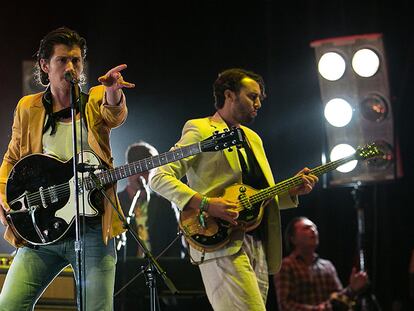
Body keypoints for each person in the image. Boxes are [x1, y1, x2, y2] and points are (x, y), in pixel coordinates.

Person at [149, 68, 319, 310]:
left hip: (257, 244)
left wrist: (291, 191)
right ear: (229, 95)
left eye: (260, 98)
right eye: (252, 96)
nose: (258, 103)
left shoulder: (253, 138)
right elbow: (159, 176)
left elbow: (257, 197)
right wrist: (207, 204)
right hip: (219, 243)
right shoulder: (200, 129)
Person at [0, 26, 135, 310]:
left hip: (92, 229)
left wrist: (112, 93)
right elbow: (12, 159)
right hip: (43, 229)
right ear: (44, 65)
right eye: (62, 60)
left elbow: (114, 115)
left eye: (76, 60)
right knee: (9, 304)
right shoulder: (28, 107)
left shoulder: (95, 100)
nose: (70, 66)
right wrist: (2, 196)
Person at [274, 216, 368, 310]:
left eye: (315, 228)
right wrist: (321, 309)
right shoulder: (286, 265)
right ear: (293, 239)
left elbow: (338, 300)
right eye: (307, 228)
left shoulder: (327, 266)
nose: (313, 230)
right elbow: (285, 305)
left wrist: (352, 289)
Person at [116, 141, 182, 260]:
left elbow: (175, 245)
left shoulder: (165, 204)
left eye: (146, 171)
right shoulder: (116, 203)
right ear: (127, 170)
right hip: (125, 272)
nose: (141, 175)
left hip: (159, 269)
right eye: (136, 169)